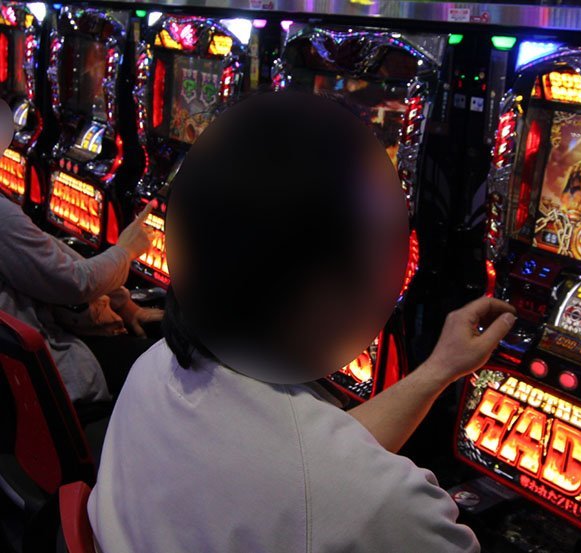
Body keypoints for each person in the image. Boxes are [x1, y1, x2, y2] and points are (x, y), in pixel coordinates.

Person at [88, 91, 516, 552]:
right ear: (322, 288)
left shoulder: (153, 371)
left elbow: (309, 458)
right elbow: (324, 480)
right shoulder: (387, 506)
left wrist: (439, 370)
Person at [0, 195, 163, 402]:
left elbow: (48, 252)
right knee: (168, 363)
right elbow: (71, 282)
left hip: (22, 359)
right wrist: (126, 251)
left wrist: (126, 306)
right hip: (44, 371)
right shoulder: (3, 215)